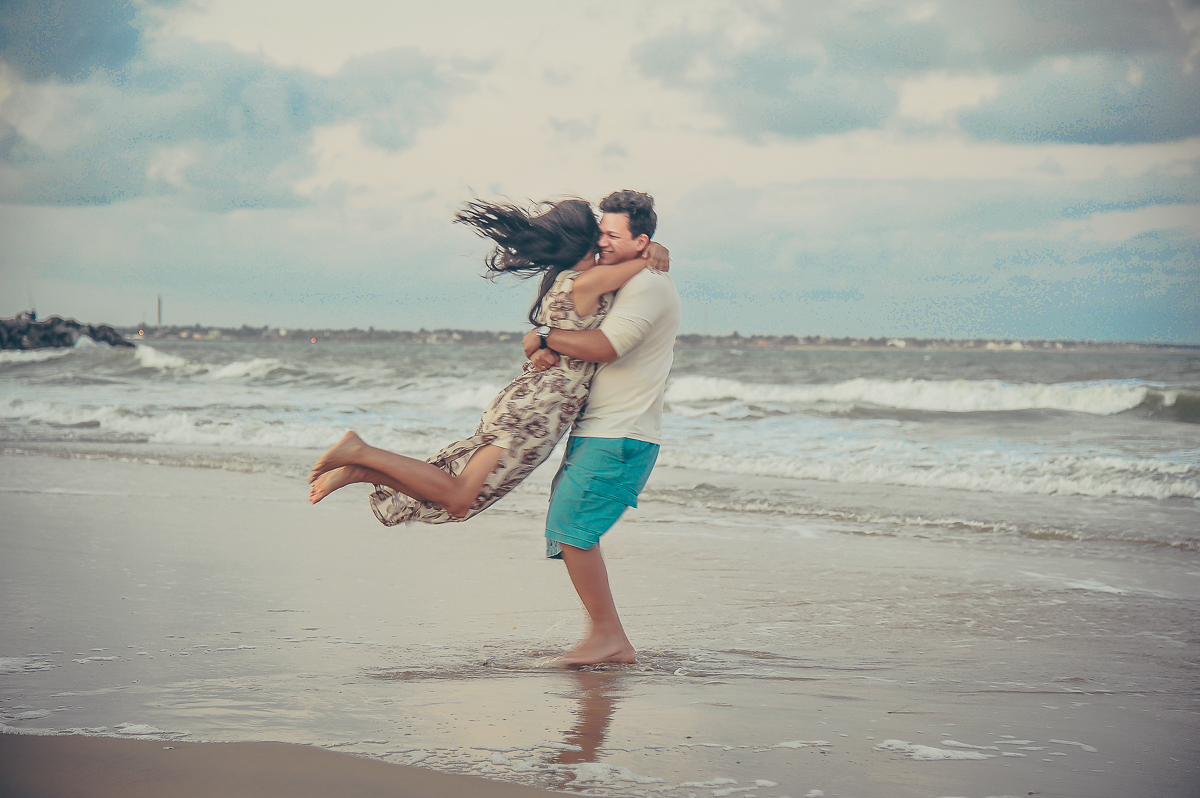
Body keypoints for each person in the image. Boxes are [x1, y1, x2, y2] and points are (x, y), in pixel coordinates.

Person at [307, 198, 667, 527]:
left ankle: (360, 470)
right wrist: (653, 248)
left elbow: (548, 337)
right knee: (459, 496)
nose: (604, 241)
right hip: (539, 407)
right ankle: (361, 453)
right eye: (600, 234)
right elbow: (641, 264)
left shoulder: (564, 281)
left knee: (459, 499)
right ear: (585, 241)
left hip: (536, 403)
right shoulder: (587, 282)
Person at [521, 190, 681, 666]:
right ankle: (604, 636)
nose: (602, 242)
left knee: (571, 529)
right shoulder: (625, 277)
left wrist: (544, 336)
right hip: (602, 428)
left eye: (612, 235)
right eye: (601, 234)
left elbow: (608, 346)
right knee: (568, 528)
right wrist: (541, 344)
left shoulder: (649, 284)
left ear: (641, 241)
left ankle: (609, 638)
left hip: (622, 433)